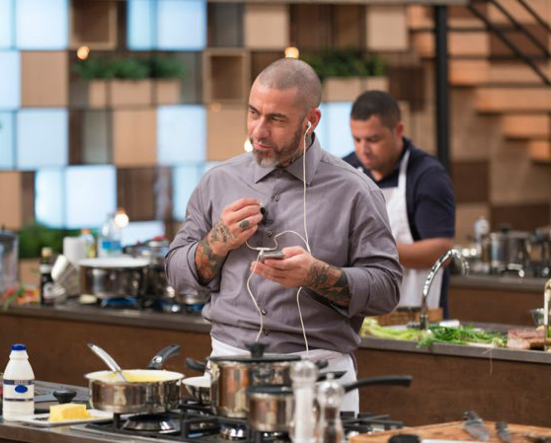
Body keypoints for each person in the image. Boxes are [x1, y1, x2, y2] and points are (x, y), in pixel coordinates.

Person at [165, 59, 403, 413]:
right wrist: (214, 244)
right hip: (228, 370)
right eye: (253, 113)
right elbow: (175, 274)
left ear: (311, 121)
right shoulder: (218, 181)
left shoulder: (355, 191)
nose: (258, 132)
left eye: (276, 120)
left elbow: (387, 290)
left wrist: (315, 275)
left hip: (319, 376)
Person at [344, 90, 455, 314]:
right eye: (357, 139)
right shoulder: (345, 172)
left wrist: (377, 250)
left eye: (373, 140)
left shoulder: (428, 176)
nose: (363, 149)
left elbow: (442, 252)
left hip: (418, 312)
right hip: (362, 312)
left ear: (398, 130)